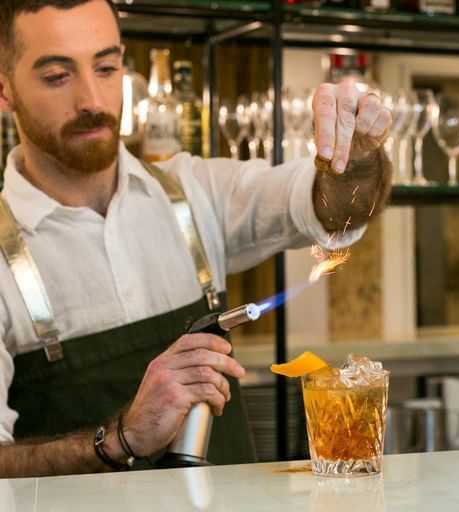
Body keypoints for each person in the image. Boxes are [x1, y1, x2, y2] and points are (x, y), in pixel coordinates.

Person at [0, 0, 392, 477]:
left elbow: (333, 207)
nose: (92, 100)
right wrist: (119, 439)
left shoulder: (193, 192)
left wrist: (359, 158)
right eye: (58, 76)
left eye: (106, 68)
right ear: (4, 89)